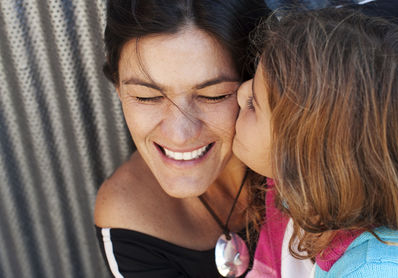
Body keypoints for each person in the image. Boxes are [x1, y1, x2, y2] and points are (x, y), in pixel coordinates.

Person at [94, 1, 269, 277]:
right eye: (146, 97)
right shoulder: (130, 219)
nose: (179, 134)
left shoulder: (309, 168)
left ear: (254, 86)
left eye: (213, 95)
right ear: (118, 87)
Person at [233, 8, 398, 278]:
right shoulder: (294, 195)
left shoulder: (373, 270)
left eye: (254, 103)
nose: (240, 93)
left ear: (305, 158)